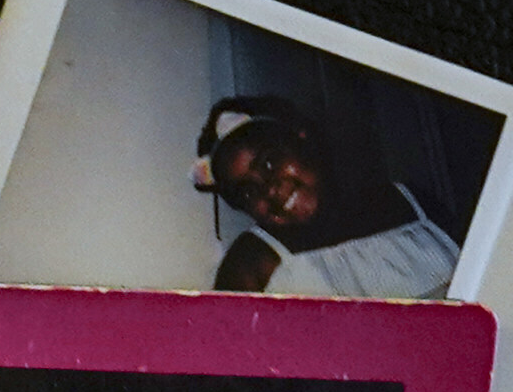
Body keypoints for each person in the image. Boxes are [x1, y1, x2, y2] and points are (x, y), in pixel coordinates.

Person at [197, 97, 462, 299]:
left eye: (269, 162)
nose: (268, 189)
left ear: (302, 139)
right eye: (248, 191)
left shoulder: (410, 202)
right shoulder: (253, 262)